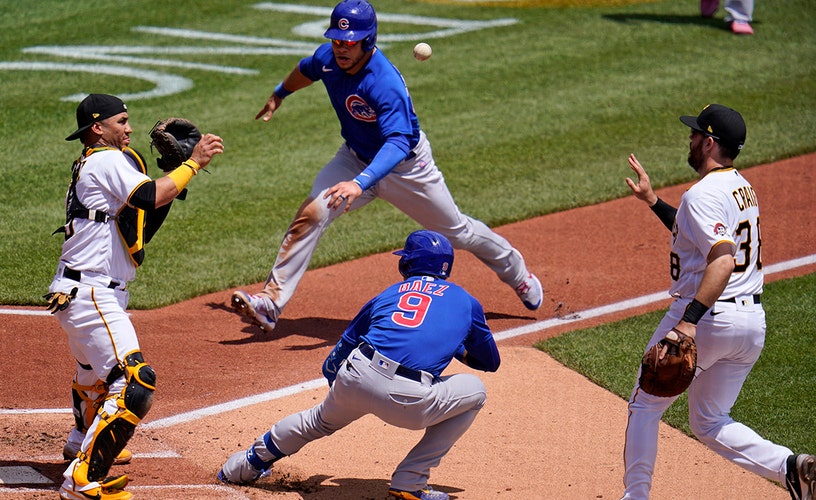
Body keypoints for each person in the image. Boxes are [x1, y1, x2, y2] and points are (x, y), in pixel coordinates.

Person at [230, 0, 542, 333]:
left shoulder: (384, 83)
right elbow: (307, 68)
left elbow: (398, 142)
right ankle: (270, 302)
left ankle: (516, 272)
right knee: (312, 213)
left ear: (368, 41)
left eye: (350, 43)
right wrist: (279, 94)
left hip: (407, 170)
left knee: (458, 233)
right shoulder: (328, 59)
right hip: (354, 158)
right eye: (337, 40)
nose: (341, 48)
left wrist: (360, 183)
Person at [620, 103, 814, 499]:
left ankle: (635, 496)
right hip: (750, 325)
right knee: (708, 420)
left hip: (709, 317)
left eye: (694, 134)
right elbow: (698, 231)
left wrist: (688, 321)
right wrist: (654, 200)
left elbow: (721, 259)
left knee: (645, 405)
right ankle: (791, 468)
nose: (689, 139)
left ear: (709, 142)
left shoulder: (700, 194)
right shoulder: (741, 187)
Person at [219, 230, 500, 500]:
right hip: (409, 399)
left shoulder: (389, 294)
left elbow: (339, 353)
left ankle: (241, 467)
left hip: (357, 371)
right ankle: (410, 482)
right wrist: (458, 348)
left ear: (408, 262)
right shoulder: (467, 301)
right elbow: (489, 362)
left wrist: (341, 389)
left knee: (316, 421)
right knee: (475, 390)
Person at [49, 93, 223, 500]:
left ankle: (80, 441)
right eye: (121, 121)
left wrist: (173, 171)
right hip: (92, 293)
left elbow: (141, 221)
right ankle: (82, 481)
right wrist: (193, 164)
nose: (129, 129)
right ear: (98, 127)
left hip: (80, 290)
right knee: (135, 382)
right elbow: (149, 196)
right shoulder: (108, 160)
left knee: (94, 377)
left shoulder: (95, 163)